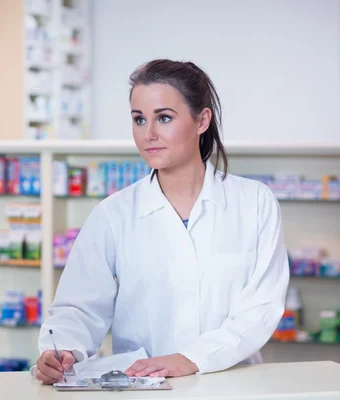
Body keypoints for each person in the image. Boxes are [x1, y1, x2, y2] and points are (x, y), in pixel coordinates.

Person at [33, 59, 290, 384]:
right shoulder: (113, 214)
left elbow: (261, 308)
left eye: (164, 118)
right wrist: (63, 351)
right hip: (145, 387)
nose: (149, 134)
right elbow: (79, 308)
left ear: (202, 120)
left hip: (230, 383)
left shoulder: (254, 203)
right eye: (139, 120)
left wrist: (192, 359)